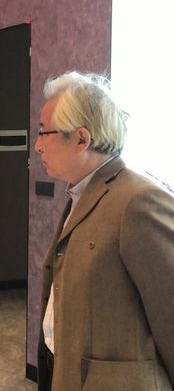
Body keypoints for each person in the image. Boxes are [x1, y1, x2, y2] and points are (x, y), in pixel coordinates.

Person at [35, 71, 174, 390]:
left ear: (81, 139)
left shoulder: (138, 201)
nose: (38, 146)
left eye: (44, 132)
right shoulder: (82, 193)